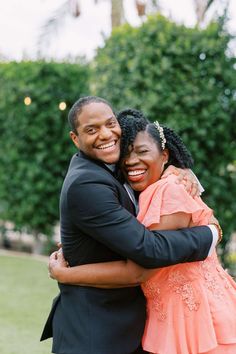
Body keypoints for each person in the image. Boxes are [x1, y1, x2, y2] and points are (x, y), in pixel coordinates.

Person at [49, 108, 236, 354]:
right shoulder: (128, 184)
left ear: (165, 155)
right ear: (76, 138)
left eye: (142, 151)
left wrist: (65, 274)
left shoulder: (168, 190)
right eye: (126, 153)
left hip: (191, 318)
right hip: (151, 318)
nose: (130, 160)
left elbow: (142, 266)